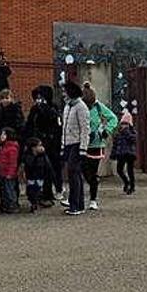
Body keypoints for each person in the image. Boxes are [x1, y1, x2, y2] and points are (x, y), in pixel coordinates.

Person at [82, 82, 118, 211]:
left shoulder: (98, 107)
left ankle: (93, 199)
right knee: (83, 171)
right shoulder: (80, 107)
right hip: (83, 143)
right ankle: (82, 196)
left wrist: (106, 131)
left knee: (92, 172)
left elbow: (113, 118)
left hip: (96, 144)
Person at [23, 85, 64, 201]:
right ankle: (42, 192)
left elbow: (56, 124)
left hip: (52, 143)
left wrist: (44, 108)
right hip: (37, 142)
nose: (38, 100)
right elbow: (30, 125)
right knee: (39, 168)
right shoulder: (34, 110)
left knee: (54, 167)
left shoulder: (53, 108)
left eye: (41, 97)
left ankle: (58, 188)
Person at [61, 81, 90, 216]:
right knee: (72, 173)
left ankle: (76, 205)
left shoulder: (81, 107)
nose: (63, 94)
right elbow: (64, 128)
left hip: (77, 143)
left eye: (65, 91)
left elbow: (85, 129)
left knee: (74, 173)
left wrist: (83, 148)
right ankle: (77, 204)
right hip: (69, 143)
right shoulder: (67, 107)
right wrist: (63, 145)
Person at [22, 137, 53, 213]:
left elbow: (47, 166)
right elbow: (26, 165)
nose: (41, 147)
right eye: (39, 145)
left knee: (38, 189)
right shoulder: (27, 156)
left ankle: (37, 201)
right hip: (31, 176)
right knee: (31, 190)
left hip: (40, 175)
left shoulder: (42, 156)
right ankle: (33, 202)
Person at [111, 110, 137, 195]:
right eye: (122, 123)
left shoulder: (131, 132)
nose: (124, 126)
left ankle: (132, 186)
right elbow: (115, 144)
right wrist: (113, 153)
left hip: (129, 153)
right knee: (119, 170)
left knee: (130, 170)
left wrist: (127, 132)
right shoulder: (118, 133)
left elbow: (133, 140)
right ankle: (126, 182)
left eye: (126, 124)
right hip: (121, 154)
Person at [0, 127, 20, 213]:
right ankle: (5, 205)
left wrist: (10, 173)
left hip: (9, 173)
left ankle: (12, 205)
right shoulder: (2, 146)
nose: (1, 136)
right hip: (2, 172)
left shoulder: (12, 148)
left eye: (4, 134)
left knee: (9, 190)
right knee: (3, 190)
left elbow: (13, 163)